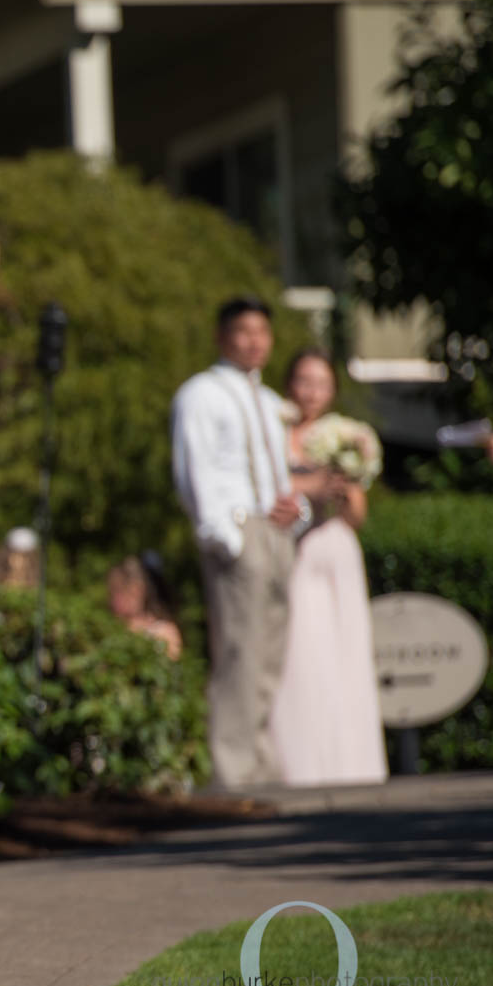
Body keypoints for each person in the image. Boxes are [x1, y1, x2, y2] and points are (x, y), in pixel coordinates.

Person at [171, 296, 309, 789]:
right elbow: (197, 468)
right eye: (244, 332)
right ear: (223, 336)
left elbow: (284, 475)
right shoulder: (202, 394)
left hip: (274, 531)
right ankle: (232, 766)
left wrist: (297, 514)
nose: (255, 342)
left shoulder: (271, 403)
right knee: (238, 650)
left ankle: (260, 759)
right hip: (238, 529)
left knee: (270, 651)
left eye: (262, 333)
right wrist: (222, 536)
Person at [269, 349, 387, 786]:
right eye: (303, 381)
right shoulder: (272, 432)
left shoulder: (346, 435)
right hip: (292, 548)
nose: (311, 392)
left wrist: (343, 485)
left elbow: (357, 515)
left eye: (320, 383)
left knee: (341, 652)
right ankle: (295, 764)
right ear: (289, 384)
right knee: (298, 651)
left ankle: (348, 762)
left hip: (334, 547)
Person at [106, 552, 184, 661]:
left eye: (116, 592)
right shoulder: (108, 631)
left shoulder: (163, 632)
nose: (112, 600)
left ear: (136, 591)